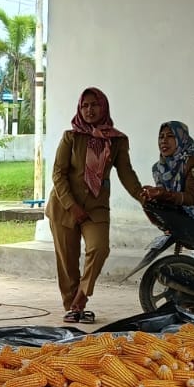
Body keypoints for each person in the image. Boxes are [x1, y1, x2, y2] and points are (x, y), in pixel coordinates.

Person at [47, 87, 143, 324]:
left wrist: (142, 196)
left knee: (99, 248)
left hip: (96, 207)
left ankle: (81, 296)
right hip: (64, 206)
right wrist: (71, 206)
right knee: (68, 261)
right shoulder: (71, 137)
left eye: (94, 105)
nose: (89, 110)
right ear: (80, 109)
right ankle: (73, 308)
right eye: (85, 106)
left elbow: (126, 173)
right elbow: (58, 174)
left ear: (104, 106)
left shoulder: (117, 140)